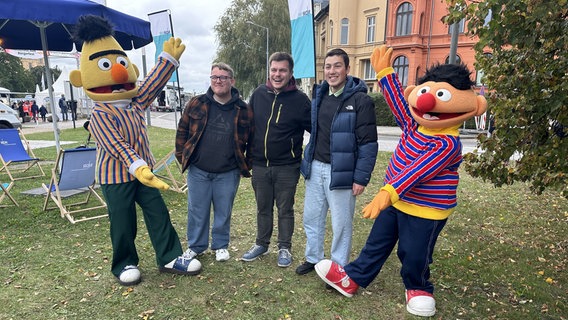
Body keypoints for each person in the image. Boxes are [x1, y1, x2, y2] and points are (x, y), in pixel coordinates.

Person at [314, 46, 487, 317]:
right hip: (397, 202)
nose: (429, 104)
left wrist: (388, 192)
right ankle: (353, 278)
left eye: (440, 96)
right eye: (428, 93)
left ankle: (418, 287)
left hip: (426, 210)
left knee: (414, 252)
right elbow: (397, 102)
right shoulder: (414, 126)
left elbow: (418, 171)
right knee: (376, 243)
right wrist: (385, 74)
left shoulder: (448, 143)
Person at [69, 15, 201, 286]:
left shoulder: (135, 101)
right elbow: (115, 145)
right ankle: (124, 262)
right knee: (122, 221)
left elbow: (152, 84)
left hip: (145, 175)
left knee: (158, 213)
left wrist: (168, 60)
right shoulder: (99, 114)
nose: (117, 73)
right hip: (116, 177)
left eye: (120, 64)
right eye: (107, 66)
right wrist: (138, 167)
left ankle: (169, 256)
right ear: (82, 78)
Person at [296, 48, 378, 275]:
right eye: (328, 66)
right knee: (312, 218)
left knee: (341, 224)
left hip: (342, 171)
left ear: (347, 69)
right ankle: (313, 258)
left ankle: (338, 266)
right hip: (316, 168)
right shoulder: (319, 95)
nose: (332, 71)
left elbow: (368, 143)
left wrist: (361, 177)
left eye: (337, 66)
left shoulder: (360, 100)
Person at [175, 62, 252, 263]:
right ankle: (196, 246)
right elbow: (182, 131)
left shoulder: (243, 109)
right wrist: (183, 156)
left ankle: (220, 245)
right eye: (214, 77)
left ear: (232, 81)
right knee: (197, 210)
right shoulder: (196, 103)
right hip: (199, 170)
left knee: (223, 211)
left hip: (228, 172)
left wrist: (245, 164)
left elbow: (252, 139)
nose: (218, 81)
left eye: (223, 77)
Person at [240, 52, 311, 268]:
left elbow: (317, 131)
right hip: (260, 165)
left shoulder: (301, 101)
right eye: (274, 70)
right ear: (269, 71)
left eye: (282, 70)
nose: (277, 74)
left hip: (287, 167)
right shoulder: (259, 94)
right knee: (263, 208)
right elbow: (248, 127)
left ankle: (284, 247)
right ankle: (261, 244)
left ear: (290, 73)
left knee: (285, 209)